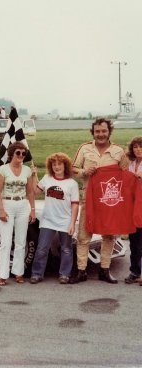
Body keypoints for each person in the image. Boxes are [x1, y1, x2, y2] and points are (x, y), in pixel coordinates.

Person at [70, 117, 129, 284]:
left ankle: (104, 269)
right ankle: (81, 271)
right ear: (93, 132)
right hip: (88, 199)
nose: (100, 134)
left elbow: (126, 174)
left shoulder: (118, 151)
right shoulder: (85, 148)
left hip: (110, 201)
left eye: (104, 131)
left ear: (109, 131)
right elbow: (73, 169)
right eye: (97, 131)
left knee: (109, 236)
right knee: (83, 235)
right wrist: (84, 171)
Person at [30, 153, 79, 284]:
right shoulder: (47, 178)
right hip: (48, 220)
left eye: (59, 164)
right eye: (54, 164)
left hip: (65, 220)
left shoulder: (72, 183)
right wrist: (34, 175)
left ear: (65, 166)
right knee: (42, 248)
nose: (57, 167)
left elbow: (75, 205)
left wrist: (72, 223)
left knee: (66, 249)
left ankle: (64, 274)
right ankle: (37, 273)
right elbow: (35, 191)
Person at [0, 142, 36, 286]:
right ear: (12, 154)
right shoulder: (3, 169)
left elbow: (30, 191)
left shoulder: (27, 170)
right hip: (7, 205)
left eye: (24, 153)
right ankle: (3, 275)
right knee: (5, 242)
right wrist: (1, 210)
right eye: (18, 153)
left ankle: (18, 272)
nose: (21, 156)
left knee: (20, 242)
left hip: (22, 206)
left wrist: (32, 210)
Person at [124, 136, 142, 285]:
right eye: (135, 147)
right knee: (134, 242)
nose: (138, 149)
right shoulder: (131, 164)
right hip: (132, 208)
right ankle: (135, 271)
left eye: (141, 147)